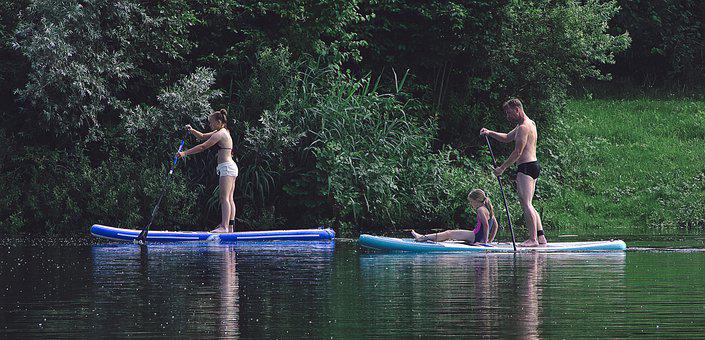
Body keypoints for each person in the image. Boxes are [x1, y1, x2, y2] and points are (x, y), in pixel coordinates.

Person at [480, 98, 546, 247]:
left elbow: (517, 152)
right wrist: (490, 133)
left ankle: (533, 240)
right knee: (529, 203)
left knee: (526, 203)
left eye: (509, 113)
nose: (507, 116)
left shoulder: (523, 127)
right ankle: (541, 238)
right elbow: (507, 138)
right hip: (533, 166)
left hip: (526, 167)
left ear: (517, 109)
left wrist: (501, 168)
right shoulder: (528, 124)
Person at [177, 109, 238, 233]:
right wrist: (192, 130)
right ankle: (230, 227)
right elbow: (203, 136)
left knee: (224, 198)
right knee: (229, 198)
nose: (210, 125)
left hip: (227, 167)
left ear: (219, 121)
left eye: (211, 123)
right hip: (229, 167)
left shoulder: (220, 134)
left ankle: (224, 227)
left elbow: (203, 146)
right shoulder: (223, 131)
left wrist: (184, 153)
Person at [411, 189, 498, 244]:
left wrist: (485, 243)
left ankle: (422, 238)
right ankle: (425, 238)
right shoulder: (489, 209)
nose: (471, 204)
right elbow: (495, 226)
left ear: (477, 200)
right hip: (478, 237)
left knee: (449, 233)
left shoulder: (480, 210)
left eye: (471, 202)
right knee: (450, 234)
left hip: (475, 237)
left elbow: (486, 225)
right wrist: (489, 240)